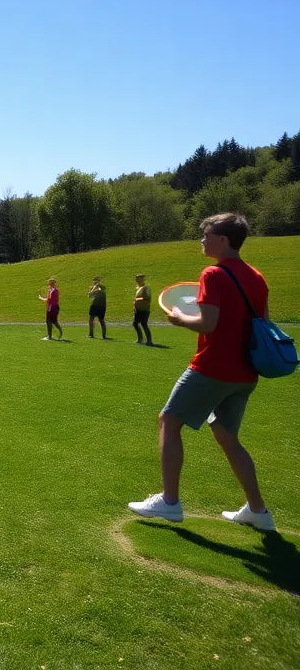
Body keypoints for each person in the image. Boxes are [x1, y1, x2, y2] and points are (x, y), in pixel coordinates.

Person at [128, 213, 275, 531]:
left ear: (223, 240)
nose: (201, 240)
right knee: (227, 436)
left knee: (168, 421)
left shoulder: (213, 273)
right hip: (246, 374)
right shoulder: (257, 277)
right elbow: (262, 322)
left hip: (212, 367)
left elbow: (208, 323)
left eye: (206, 234)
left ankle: (169, 502)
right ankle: (258, 511)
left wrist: (180, 317)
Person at [133, 274, 154, 346]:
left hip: (144, 309)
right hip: (138, 309)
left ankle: (149, 341)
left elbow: (147, 298)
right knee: (135, 323)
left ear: (142, 279)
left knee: (144, 324)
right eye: (136, 279)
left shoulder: (145, 288)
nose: (136, 280)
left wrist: (137, 299)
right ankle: (140, 339)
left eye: (138, 279)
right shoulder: (138, 288)